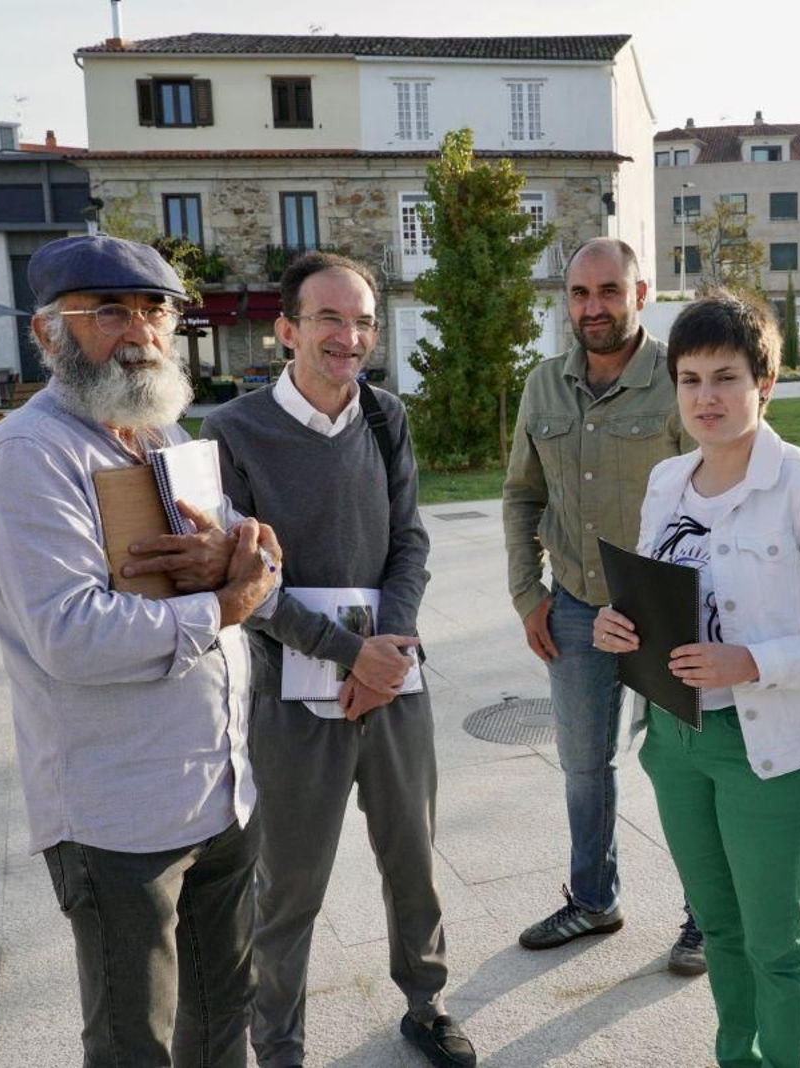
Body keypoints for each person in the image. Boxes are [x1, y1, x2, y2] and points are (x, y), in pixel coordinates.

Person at [0, 234, 280, 1067]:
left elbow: (250, 580)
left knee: (223, 1018)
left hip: (221, 790)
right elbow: (71, 635)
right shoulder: (30, 456)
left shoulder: (169, 438)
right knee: (132, 1040)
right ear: (49, 335)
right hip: (121, 816)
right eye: (109, 311)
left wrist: (248, 572)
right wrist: (223, 603)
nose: (140, 331)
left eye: (156, 310)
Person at [593, 292, 800, 1068]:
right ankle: (737, 1059)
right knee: (718, 928)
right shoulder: (667, 483)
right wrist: (616, 628)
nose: (707, 398)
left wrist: (753, 662)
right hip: (678, 741)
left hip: (775, 751)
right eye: (689, 380)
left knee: (774, 941)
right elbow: (660, 598)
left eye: (726, 377)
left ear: (767, 382)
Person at [201, 251, 475, 1068]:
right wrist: (354, 655)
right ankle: (278, 1044)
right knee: (288, 887)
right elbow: (248, 587)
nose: (349, 337)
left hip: (393, 681)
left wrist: (386, 652)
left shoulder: (386, 418)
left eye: (361, 321)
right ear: (286, 330)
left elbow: (410, 542)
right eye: (329, 319)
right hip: (290, 697)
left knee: (413, 859)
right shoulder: (233, 433)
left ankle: (425, 1003)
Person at [502, 237, 706, 970]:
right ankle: (595, 899)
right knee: (585, 766)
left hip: (664, 607)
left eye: (609, 291)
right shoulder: (543, 385)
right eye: (581, 294)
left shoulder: (675, 379)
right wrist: (529, 594)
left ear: (641, 294)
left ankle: (704, 918)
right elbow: (522, 494)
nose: (594, 307)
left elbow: (711, 492)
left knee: (682, 763)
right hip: (578, 608)